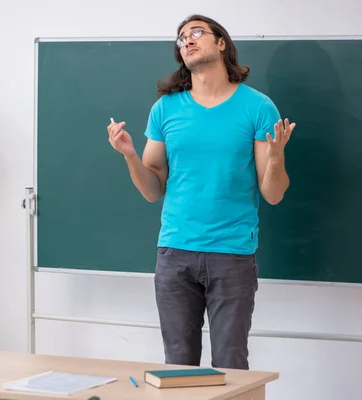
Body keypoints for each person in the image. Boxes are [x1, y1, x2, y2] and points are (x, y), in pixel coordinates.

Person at [106, 14, 295, 370]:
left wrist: (276, 157)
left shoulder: (257, 107)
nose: (188, 41)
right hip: (175, 253)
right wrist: (130, 155)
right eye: (181, 38)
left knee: (230, 363)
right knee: (178, 365)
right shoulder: (166, 109)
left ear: (221, 43)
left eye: (196, 33)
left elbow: (273, 194)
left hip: (232, 254)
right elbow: (151, 190)